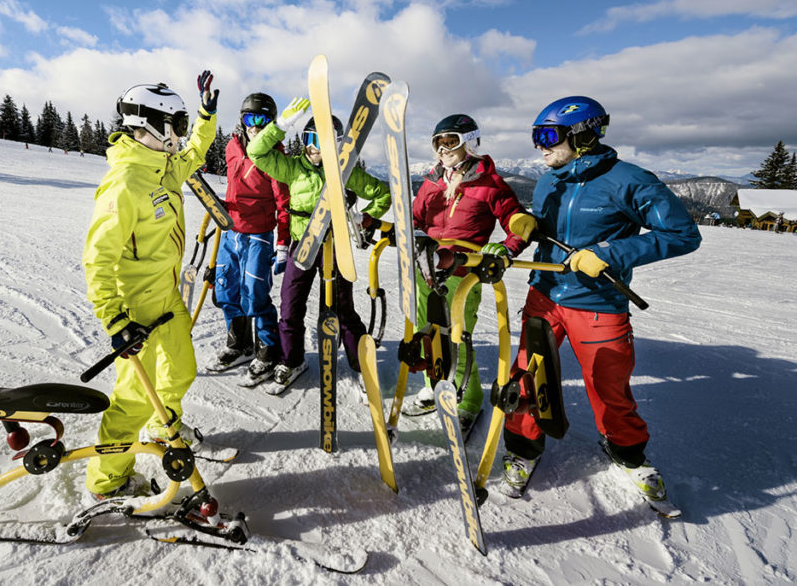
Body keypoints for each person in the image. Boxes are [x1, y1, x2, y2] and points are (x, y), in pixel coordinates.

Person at [500, 95, 701, 501]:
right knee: (527, 378)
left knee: (608, 385)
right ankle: (523, 449)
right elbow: (546, 230)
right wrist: (524, 228)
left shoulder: (630, 180)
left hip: (597, 305)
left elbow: (683, 235)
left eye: (549, 135)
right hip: (544, 295)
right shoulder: (547, 180)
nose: (540, 145)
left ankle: (627, 454)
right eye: (536, 136)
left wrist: (611, 253)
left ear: (584, 135)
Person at [82, 73, 218, 499]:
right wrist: (114, 319)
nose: (179, 133)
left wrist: (205, 115)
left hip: (167, 297)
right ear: (153, 124)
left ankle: (163, 429)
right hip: (137, 309)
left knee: (180, 370)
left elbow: (196, 150)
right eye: (174, 124)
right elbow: (97, 259)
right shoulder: (125, 184)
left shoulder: (162, 170)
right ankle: (108, 481)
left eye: (180, 123)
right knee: (132, 400)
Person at [247, 100, 391, 388]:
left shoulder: (346, 171)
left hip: (335, 246)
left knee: (342, 306)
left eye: (323, 141)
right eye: (310, 139)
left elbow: (383, 194)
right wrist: (279, 126)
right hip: (303, 243)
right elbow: (256, 152)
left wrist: (366, 219)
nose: (315, 148)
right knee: (290, 305)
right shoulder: (292, 169)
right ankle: (291, 360)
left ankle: (359, 362)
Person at [407, 114, 529, 432]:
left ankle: (468, 400)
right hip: (427, 265)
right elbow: (416, 219)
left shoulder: (490, 184)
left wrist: (508, 247)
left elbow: (516, 219)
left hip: (463, 269)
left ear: (470, 143)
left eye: (452, 141)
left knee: (457, 337)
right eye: (439, 142)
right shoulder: (433, 181)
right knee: (426, 330)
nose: (444, 148)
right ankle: (435, 383)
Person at [211, 93, 291, 371]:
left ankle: (267, 350)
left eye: (262, 120)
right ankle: (239, 344)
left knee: (254, 293)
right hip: (230, 231)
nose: (254, 126)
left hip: (258, 234)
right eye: (249, 118)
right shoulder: (232, 148)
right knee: (225, 290)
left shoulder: (275, 156)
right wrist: (221, 206)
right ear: (242, 120)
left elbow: (284, 203)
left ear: (270, 124)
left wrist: (282, 243)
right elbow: (235, 188)